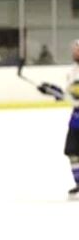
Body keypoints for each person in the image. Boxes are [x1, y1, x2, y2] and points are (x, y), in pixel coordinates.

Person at [35, 39, 79, 197]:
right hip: (76, 119)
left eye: (77, 50)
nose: (74, 52)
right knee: (72, 151)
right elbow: (70, 95)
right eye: (74, 49)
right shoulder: (72, 71)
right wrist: (51, 90)